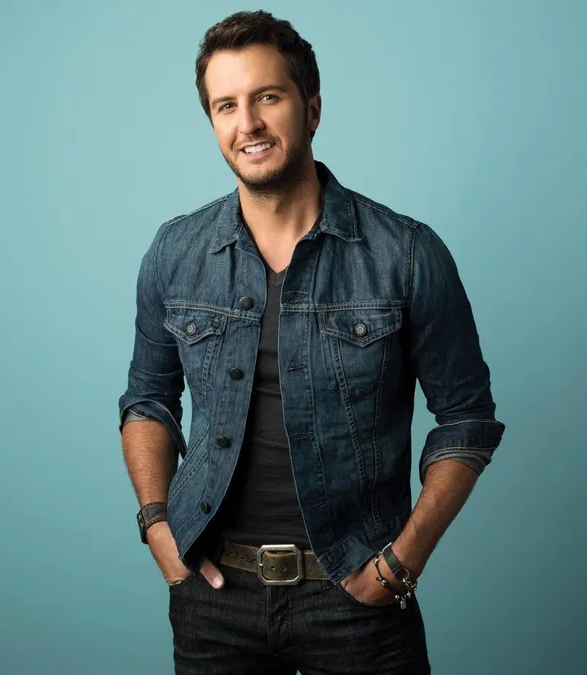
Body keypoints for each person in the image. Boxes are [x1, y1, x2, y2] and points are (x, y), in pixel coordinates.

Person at [118, 10, 505, 675]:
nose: (248, 123)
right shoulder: (175, 252)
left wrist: (403, 560)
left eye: (267, 97)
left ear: (312, 108)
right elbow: (147, 400)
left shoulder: (406, 254)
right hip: (214, 599)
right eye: (226, 105)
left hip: (357, 597)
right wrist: (156, 524)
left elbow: (466, 419)